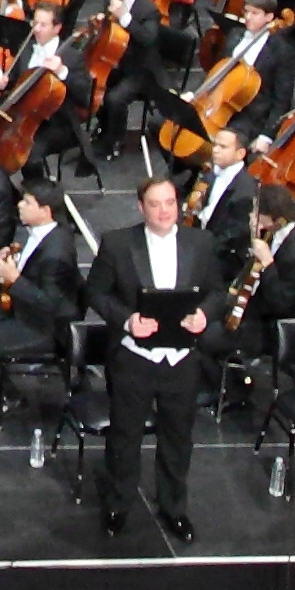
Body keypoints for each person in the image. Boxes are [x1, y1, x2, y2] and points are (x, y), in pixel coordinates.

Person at [95, 167, 218, 542]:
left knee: (179, 438)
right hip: (135, 359)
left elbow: (218, 290)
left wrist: (205, 314)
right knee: (124, 437)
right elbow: (96, 293)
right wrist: (128, 320)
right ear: (140, 207)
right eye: (155, 204)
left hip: (181, 361)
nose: (164, 211)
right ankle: (118, 505)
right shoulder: (117, 243)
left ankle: (174, 507)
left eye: (170, 203)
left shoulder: (202, 242)